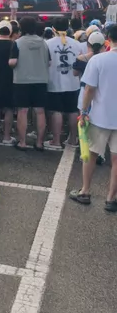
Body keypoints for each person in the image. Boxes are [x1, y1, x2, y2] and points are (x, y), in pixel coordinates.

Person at [69, 23, 117, 211]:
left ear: (109, 38)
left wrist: (84, 111)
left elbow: (89, 89)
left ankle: (85, 191)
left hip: (99, 116)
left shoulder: (98, 61)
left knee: (90, 154)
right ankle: (112, 198)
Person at [9, 17, 50, 151]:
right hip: (41, 80)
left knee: (22, 111)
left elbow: (13, 62)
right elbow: (49, 62)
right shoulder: (43, 43)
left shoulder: (18, 43)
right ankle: (39, 142)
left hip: (22, 80)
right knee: (40, 111)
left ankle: (22, 142)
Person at [45, 17, 81, 151]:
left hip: (54, 81)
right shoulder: (76, 43)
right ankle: (73, 139)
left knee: (56, 111)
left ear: (53, 28)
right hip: (73, 82)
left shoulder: (48, 44)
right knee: (72, 111)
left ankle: (56, 140)